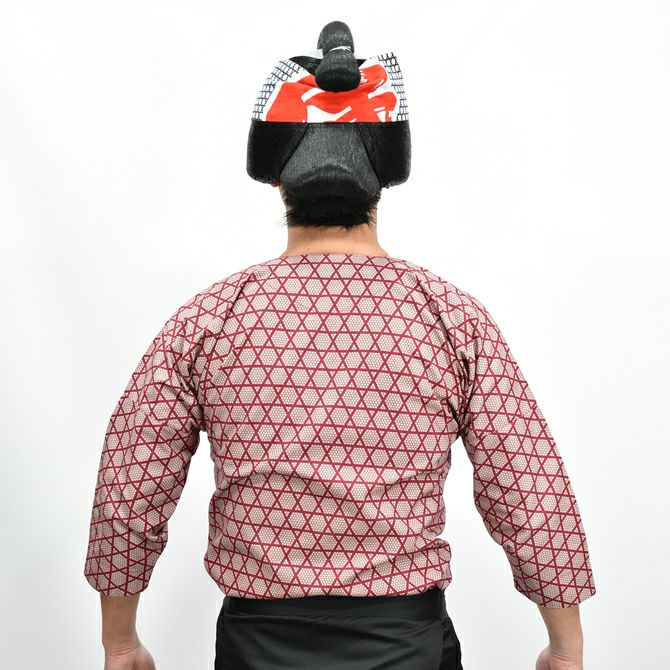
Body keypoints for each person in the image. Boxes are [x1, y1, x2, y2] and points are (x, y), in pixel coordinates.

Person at [84, 20, 596, 670]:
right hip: (405, 645)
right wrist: (565, 645)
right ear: (384, 178)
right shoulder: (449, 318)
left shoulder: (209, 320)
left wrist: (120, 640)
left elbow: (130, 485)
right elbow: (527, 485)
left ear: (277, 181)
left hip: (257, 646)